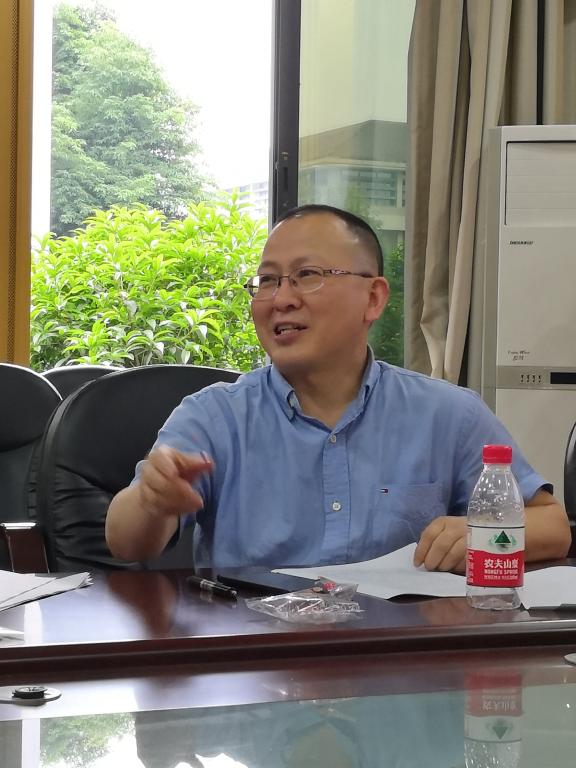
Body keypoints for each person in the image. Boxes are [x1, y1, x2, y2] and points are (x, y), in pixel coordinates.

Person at [105, 204, 571, 572]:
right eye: (267, 280)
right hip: (254, 650)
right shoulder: (213, 417)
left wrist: (478, 536)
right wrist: (151, 501)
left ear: (373, 298)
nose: (281, 298)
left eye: (307, 276)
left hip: (401, 652)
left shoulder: (449, 414)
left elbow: (552, 525)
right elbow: (125, 543)